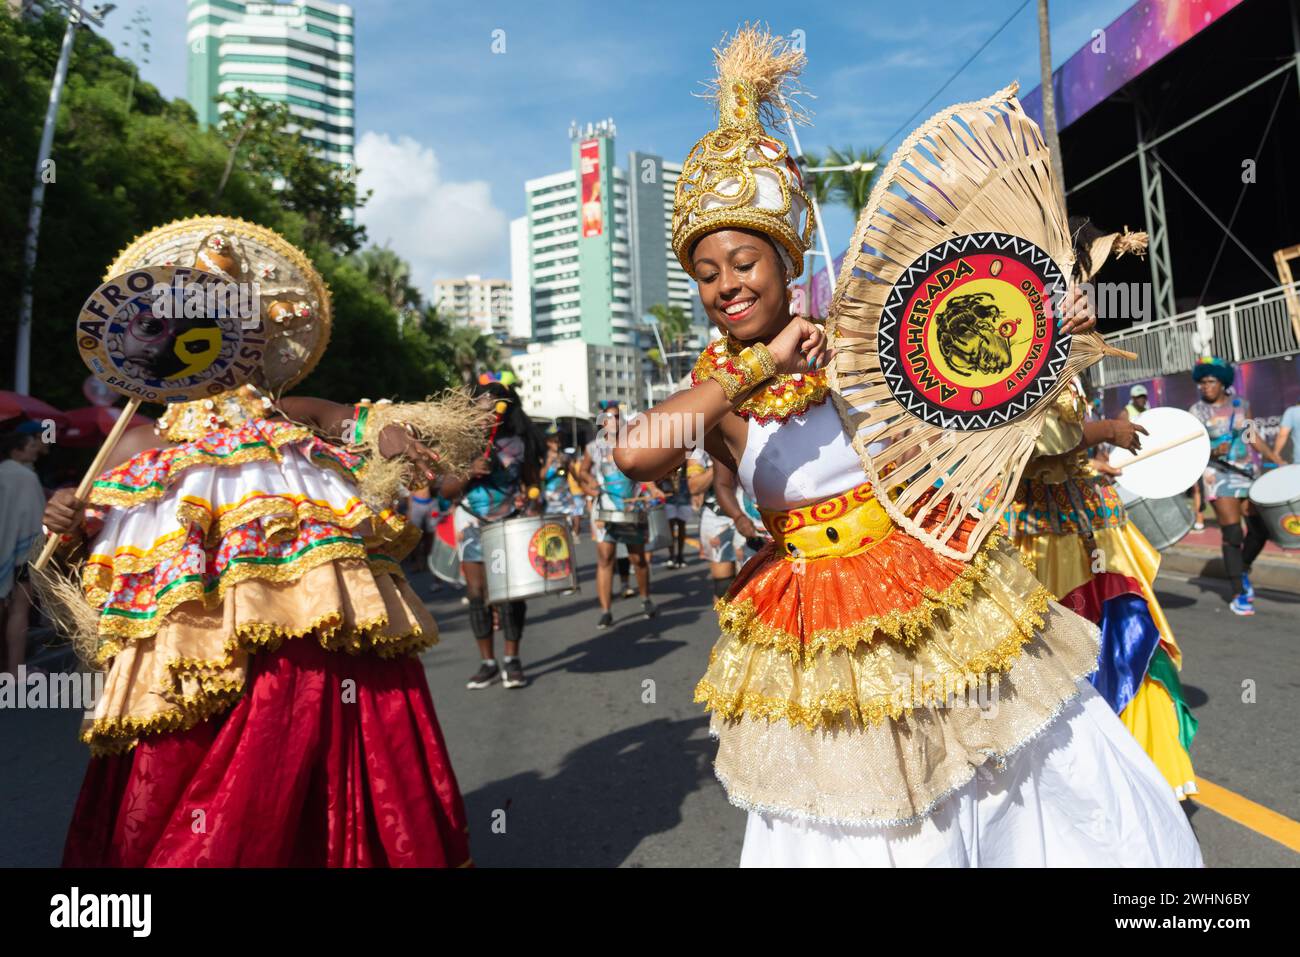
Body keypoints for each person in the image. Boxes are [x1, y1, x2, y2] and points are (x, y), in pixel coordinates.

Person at [614, 26, 1200, 866]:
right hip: (818, 622)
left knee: (1005, 777)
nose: (727, 286)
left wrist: (1046, 334)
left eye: (745, 262)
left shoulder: (862, 342)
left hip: (926, 587)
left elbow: (975, 395)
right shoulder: (716, 390)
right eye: (706, 274)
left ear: (784, 264)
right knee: (863, 812)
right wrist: (754, 369)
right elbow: (636, 455)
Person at [42, 217, 483, 867]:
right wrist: (67, 521)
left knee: (313, 744)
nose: (222, 336)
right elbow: (92, 563)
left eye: (237, 322)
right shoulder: (135, 447)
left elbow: (354, 420)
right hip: (186, 670)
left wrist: (387, 434)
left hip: (310, 650)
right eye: (201, 320)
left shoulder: (290, 417)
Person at [440, 381, 542, 690]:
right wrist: (469, 472)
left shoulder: (519, 443)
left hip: (510, 522)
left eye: (496, 405)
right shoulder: (460, 443)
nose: (489, 412)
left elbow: (532, 482)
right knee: (477, 595)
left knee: (511, 595)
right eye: (482, 405)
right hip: (472, 524)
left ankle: (512, 660)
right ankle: (488, 664)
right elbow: (445, 490)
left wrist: (531, 497)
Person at [1190, 357, 1271, 615]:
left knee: (1260, 530)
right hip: (1218, 475)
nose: (1205, 386)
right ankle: (1238, 591)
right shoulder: (1197, 411)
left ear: (1222, 382)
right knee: (1233, 533)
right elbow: (1193, 446)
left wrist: (1277, 460)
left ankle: (1242, 566)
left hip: (1246, 472)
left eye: (1210, 381)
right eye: (1201, 382)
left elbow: (1252, 437)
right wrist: (1212, 450)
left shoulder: (1240, 404)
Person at [579, 403, 659, 628]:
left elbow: (643, 473)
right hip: (604, 511)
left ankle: (645, 599)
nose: (615, 421)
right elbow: (582, 472)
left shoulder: (631, 445)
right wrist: (588, 485)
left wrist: (653, 489)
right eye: (610, 417)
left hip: (631, 509)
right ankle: (605, 611)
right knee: (605, 559)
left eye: (617, 417)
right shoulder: (593, 448)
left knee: (638, 559)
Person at [0, 428, 48, 675]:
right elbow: (35, 521)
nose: (36, 450)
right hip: (22, 553)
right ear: (17, 450)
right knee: (20, 610)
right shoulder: (25, 477)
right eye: (31, 446)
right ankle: (15, 672)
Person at [657, 458, 694, 568]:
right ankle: (671, 556)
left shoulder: (687, 456)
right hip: (669, 496)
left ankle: (680, 555)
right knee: (670, 527)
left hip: (684, 496)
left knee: (682, 526)